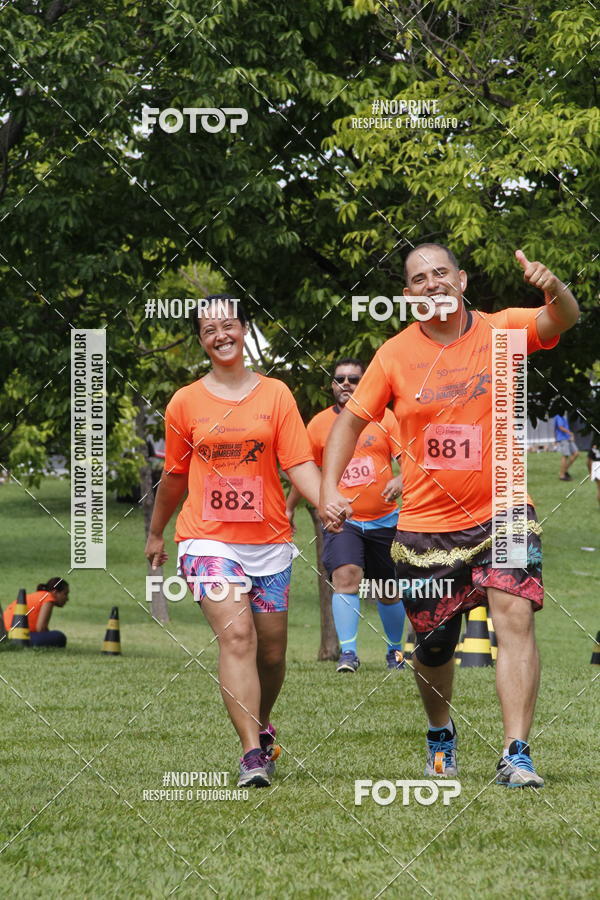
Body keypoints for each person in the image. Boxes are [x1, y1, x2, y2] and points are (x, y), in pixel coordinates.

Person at [320, 243, 579, 788]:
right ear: (408, 295)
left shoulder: (503, 329)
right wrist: (328, 488)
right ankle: (441, 732)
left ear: (461, 279)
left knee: (514, 617)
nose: (432, 283)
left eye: (441, 272)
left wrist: (552, 286)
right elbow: (348, 423)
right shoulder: (393, 355)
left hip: (504, 506)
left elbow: (564, 317)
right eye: (419, 279)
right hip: (426, 523)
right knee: (435, 643)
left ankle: (517, 751)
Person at [145, 296, 321, 788]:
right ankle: (251, 754)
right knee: (237, 637)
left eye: (227, 325)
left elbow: (298, 464)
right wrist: (158, 531)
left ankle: (260, 726)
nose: (219, 334)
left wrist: (326, 501)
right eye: (208, 329)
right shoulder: (184, 402)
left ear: (244, 329)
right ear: (201, 340)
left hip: (269, 541)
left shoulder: (277, 395)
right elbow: (175, 476)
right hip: (206, 540)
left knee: (272, 653)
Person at [286, 358, 406, 672]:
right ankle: (348, 654)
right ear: (332, 385)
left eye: (354, 379)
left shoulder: (386, 418)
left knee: (388, 589)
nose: (347, 384)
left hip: (385, 520)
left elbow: (408, 459)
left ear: (365, 382)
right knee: (345, 576)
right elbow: (305, 469)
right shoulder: (318, 424)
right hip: (343, 520)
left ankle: (395, 652)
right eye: (340, 379)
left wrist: (400, 479)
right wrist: (288, 507)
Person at [3, 578, 69, 647]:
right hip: (17, 636)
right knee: (59, 636)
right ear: (55, 592)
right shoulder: (48, 598)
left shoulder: (37, 595)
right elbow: (41, 628)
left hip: (5, 634)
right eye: (65, 594)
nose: (67, 599)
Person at [554, 412, 579, 480]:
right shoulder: (558, 415)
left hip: (567, 438)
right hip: (563, 438)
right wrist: (570, 433)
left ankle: (564, 471)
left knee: (576, 453)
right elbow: (560, 427)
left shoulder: (563, 415)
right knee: (565, 455)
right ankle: (562, 475)